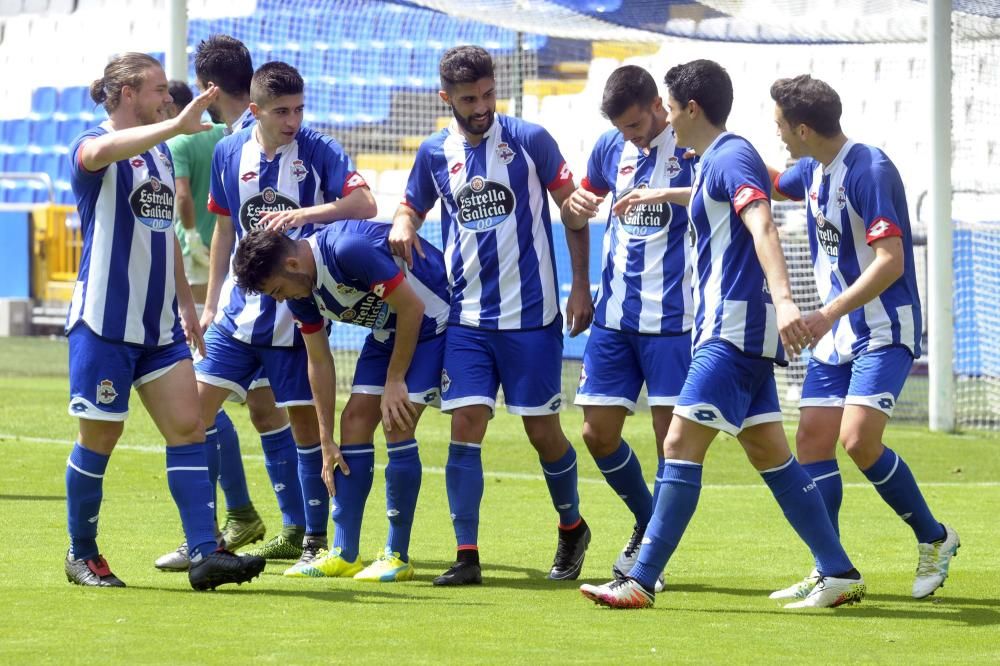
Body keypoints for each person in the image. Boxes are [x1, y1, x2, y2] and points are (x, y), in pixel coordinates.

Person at [579, 59, 865, 609]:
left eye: (669, 103)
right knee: (771, 456)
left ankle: (639, 581)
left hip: (733, 330)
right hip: (733, 330)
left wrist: (785, 302)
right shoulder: (711, 160)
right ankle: (837, 570)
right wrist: (662, 196)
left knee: (679, 444)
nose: (663, 112)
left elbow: (760, 221)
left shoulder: (731, 154)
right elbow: (714, 200)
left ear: (691, 108)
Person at [390, 45, 591, 586]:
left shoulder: (530, 140)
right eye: (467, 99)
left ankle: (572, 526)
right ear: (446, 98)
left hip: (532, 317)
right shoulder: (435, 153)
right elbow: (412, 203)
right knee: (465, 425)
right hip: (469, 318)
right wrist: (405, 221)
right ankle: (467, 556)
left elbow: (571, 212)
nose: (480, 107)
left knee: (542, 432)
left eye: (486, 95)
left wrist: (579, 288)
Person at [64, 51, 264, 589]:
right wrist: (175, 126)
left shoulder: (161, 157)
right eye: (157, 90)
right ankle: (82, 553)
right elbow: (96, 154)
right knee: (99, 440)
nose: (168, 100)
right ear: (127, 94)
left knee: (189, 428)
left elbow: (165, 237)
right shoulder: (92, 142)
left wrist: (184, 302)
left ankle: (205, 554)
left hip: (159, 329)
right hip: (104, 324)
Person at [767, 74, 958, 601]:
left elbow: (891, 262)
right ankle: (831, 568)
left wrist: (826, 313)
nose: (777, 132)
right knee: (812, 440)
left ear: (803, 128)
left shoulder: (868, 169)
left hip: (881, 327)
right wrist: (709, 158)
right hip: (836, 337)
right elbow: (761, 177)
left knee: (857, 440)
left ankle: (935, 538)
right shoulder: (810, 169)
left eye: (780, 123)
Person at [199, 60, 377, 573]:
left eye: (299, 109)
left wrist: (307, 214)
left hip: (298, 313)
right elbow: (223, 230)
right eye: (282, 111)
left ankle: (310, 539)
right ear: (254, 110)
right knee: (192, 417)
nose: (293, 120)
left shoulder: (319, 150)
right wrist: (212, 301)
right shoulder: (229, 152)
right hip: (237, 315)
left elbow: (365, 203)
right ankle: (204, 536)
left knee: (306, 428)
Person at [231, 222, 450, 581]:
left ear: (291, 265)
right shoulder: (301, 292)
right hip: (389, 330)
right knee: (353, 423)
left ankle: (397, 555)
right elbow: (318, 360)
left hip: (430, 320)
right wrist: (325, 438)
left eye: (277, 290)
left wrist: (395, 380)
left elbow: (412, 307)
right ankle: (345, 553)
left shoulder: (348, 250)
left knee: (397, 421)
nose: (280, 299)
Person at [561, 64, 694, 589]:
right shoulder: (608, 149)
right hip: (613, 318)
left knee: (671, 446)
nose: (631, 137)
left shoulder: (692, 151)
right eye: (623, 129)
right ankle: (647, 518)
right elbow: (578, 215)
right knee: (597, 433)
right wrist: (575, 210)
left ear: (659, 104)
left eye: (637, 126)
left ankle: (648, 563)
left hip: (674, 323)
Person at [156, 35, 285, 571]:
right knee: (264, 409)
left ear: (208, 86)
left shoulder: (210, 139)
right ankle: (284, 526)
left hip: (237, 293)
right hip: (260, 290)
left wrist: (204, 290)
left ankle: (209, 531)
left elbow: (206, 216)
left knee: (196, 409)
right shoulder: (247, 135)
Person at [164, 79, 224, 306]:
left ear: (172, 108)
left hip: (193, 246)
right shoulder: (222, 133)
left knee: (193, 316)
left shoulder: (177, 143)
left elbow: (182, 194)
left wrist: (191, 236)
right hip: (224, 241)